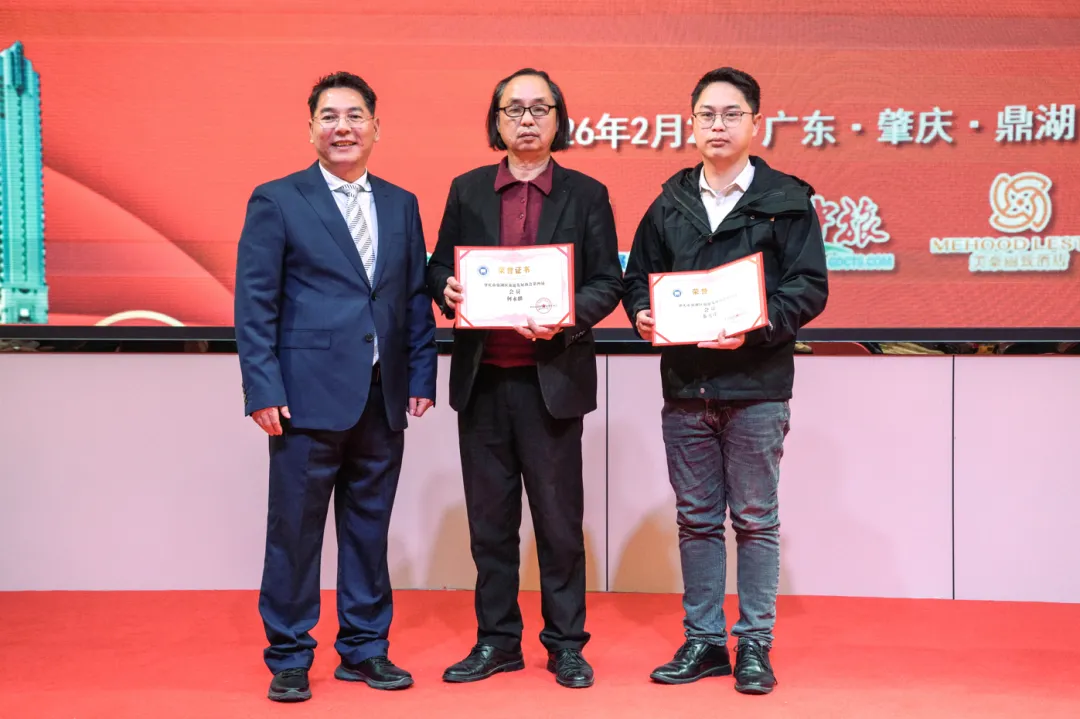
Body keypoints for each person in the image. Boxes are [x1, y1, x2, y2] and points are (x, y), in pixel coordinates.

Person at [622, 67, 828, 695]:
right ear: (691, 124)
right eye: (707, 115)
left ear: (755, 123)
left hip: (757, 386)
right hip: (687, 388)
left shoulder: (787, 200)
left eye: (731, 114)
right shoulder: (670, 202)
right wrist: (642, 313)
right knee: (696, 520)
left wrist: (755, 327)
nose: (718, 125)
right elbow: (638, 280)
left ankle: (755, 645)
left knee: (757, 521)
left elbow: (809, 288)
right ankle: (705, 641)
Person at [234, 71, 437, 702]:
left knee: (369, 529)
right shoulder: (277, 199)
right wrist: (262, 388)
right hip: (303, 396)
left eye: (354, 116)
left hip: (383, 393)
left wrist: (421, 374)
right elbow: (255, 303)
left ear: (377, 127)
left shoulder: (401, 203)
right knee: (295, 532)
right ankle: (290, 654)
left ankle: (365, 648)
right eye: (329, 116)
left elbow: (413, 297)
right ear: (311, 129)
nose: (342, 127)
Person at [426, 68, 622, 689]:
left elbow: (608, 283)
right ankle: (497, 641)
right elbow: (438, 266)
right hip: (483, 381)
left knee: (559, 525)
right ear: (497, 120)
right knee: (490, 525)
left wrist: (566, 315)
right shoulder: (467, 190)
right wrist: (446, 286)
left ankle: (566, 644)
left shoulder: (587, 194)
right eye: (514, 108)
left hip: (552, 384)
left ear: (559, 119)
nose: (527, 119)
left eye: (540, 108)